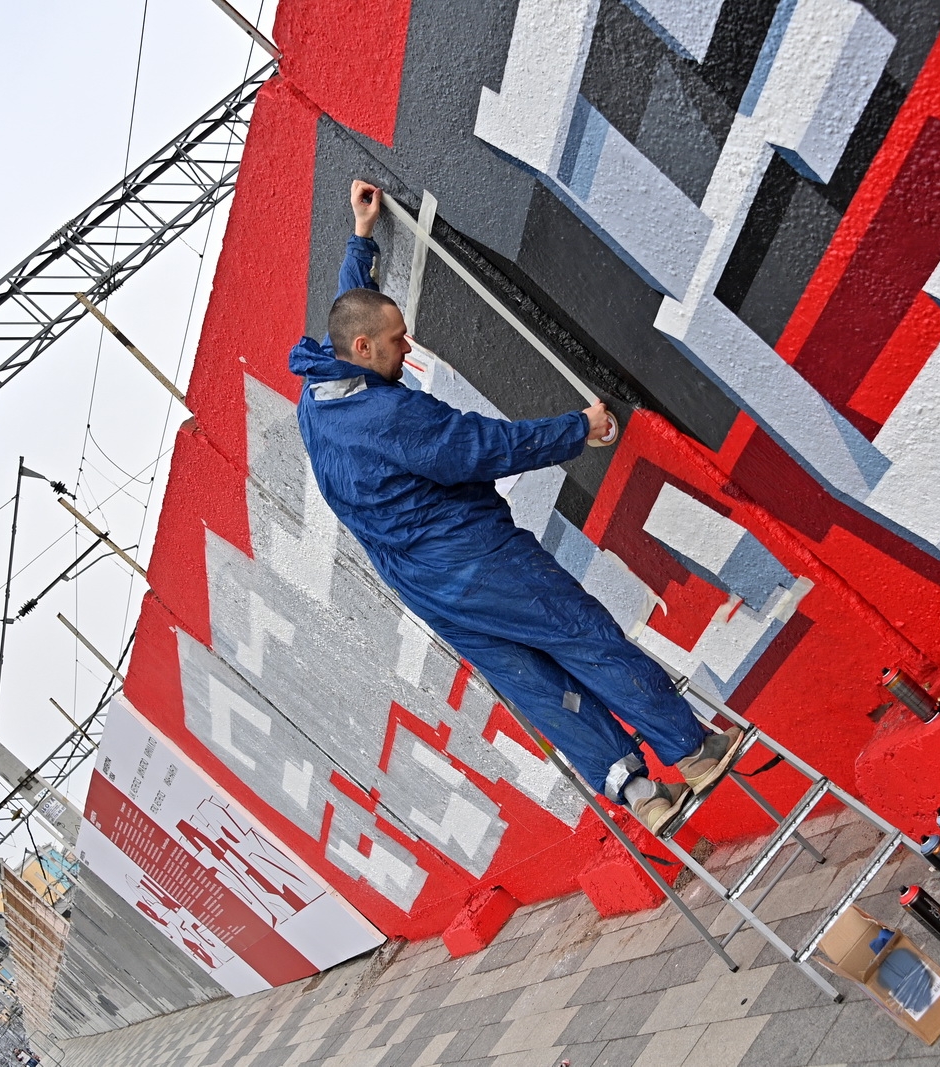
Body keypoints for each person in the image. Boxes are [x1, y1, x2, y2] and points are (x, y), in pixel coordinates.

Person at [287, 180, 744, 833]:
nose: (407, 350)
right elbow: (482, 448)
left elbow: (350, 311)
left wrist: (361, 238)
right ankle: (694, 751)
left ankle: (642, 794)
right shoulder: (388, 415)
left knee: (536, 685)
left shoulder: (317, 395)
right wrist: (578, 428)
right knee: (579, 632)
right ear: (364, 349)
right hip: (477, 559)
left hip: (427, 589)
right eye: (397, 342)